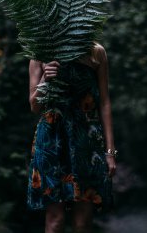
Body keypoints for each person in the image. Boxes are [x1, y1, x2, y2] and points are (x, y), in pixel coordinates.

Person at [26, 41, 117, 233]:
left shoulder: (96, 52)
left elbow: (105, 102)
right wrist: (45, 78)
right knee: (55, 221)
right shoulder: (41, 52)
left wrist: (110, 152)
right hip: (52, 141)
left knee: (82, 223)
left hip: (86, 141)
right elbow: (34, 106)